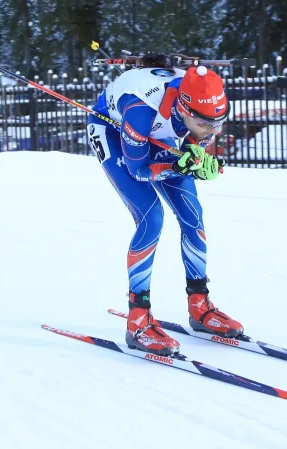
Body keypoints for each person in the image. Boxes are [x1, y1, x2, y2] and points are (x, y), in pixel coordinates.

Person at [86, 63, 244, 357]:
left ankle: (199, 306)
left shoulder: (201, 110)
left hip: (159, 132)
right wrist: (176, 164)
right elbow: (139, 170)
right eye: (206, 125)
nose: (212, 132)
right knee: (151, 218)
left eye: (219, 124)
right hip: (113, 132)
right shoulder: (140, 111)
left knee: (192, 215)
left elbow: (196, 140)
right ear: (185, 111)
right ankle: (137, 320)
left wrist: (200, 161)